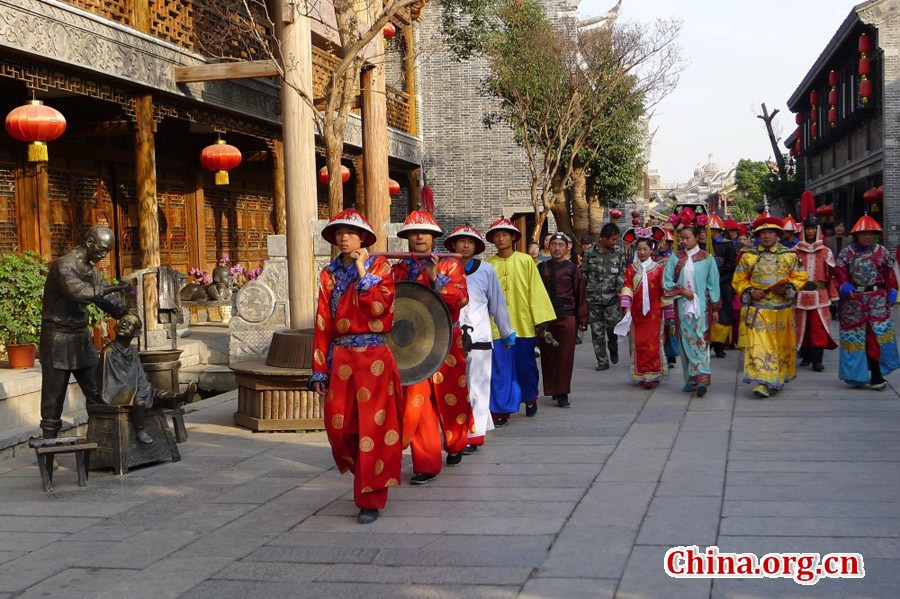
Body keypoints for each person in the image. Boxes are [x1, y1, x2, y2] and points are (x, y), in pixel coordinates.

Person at [309, 208, 403, 524]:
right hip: (341, 359)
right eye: (339, 233)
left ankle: (370, 498)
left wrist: (364, 272)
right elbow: (323, 322)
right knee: (340, 427)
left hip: (374, 357)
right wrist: (319, 369)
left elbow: (380, 307)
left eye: (349, 233)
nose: (343, 238)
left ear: (362, 237)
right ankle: (359, 471)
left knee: (373, 429)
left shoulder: (380, 267)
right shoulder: (328, 274)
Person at [391, 210, 472, 480]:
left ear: (433, 236)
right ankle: (426, 463)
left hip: (447, 339)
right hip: (413, 346)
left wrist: (438, 279)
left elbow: (460, 299)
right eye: (414, 232)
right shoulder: (398, 268)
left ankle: (457, 442)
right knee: (418, 401)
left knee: (451, 395)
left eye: (424, 232)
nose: (419, 236)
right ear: (406, 237)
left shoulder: (451, 265)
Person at [39, 225, 131, 439]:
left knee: (99, 391)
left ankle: (103, 444)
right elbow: (80, 293)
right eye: (101, 249)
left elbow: (104, 299)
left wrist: (124, 311)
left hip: (81, 339)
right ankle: (48, 453)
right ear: (89, 242)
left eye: (107, 251)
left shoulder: (91, 269)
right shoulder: (64, 266)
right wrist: (113, 288)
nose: (103, 254)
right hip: (57, 339)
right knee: (53, 402)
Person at [445, 224, 515, 453]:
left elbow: (497, 302)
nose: (465, 245)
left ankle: (474, 435)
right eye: (461, 241)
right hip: (450, 336)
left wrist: (506, 332)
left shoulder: (486, 270)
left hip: (480, 335)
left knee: (478, 386)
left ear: (476, 247)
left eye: (470, 241)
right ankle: (458, 430)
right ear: (453, 244)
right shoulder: (444, 269)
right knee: (456, 387)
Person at [485, 218, 555, 425]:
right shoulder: (488, 265)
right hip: (496, 327)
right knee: (500, 368)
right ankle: (502, 410)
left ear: (513, 237)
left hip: (522, 323)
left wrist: (540, 320)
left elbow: (535, 290)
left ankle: (530, 396)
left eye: (505, 234)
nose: (501, 238)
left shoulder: (525, 261)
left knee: (526, 366)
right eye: (497, 235)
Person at [732, 213, 809, 398]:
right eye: (763, 232)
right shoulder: (748, 256)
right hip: (759, 309)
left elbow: (800, 276)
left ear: (778, 234)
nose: (766, 236)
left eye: (770, 232)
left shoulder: (789, 255)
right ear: (758, 235)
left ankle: (776, 378)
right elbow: (738, 279)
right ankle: (763, 382)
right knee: (760, 345)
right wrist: (750, 290)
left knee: (781, 347)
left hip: (782, 311)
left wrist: (789, 288)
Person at [97, 315, 197, 444]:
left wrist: (143, 388)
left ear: (137, 333)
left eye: (129, 324)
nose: (123, 325)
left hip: (136, 387)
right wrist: (132, 391)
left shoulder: (133, 351)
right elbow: (110, 381)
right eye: (122, 322)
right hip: (118, 392)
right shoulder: (109, 352)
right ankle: (140, 430)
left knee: (156, 393)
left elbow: (139, 375)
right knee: (139, 402)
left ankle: (181, 397)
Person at [834, 214, 900, 389]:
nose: (868, 236)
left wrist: (893, 290)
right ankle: (858, 374)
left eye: (871, 233)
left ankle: (877, 375)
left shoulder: (882, 251)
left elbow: (889, 274)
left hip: (877, 301)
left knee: (876, 338)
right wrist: (845, 287)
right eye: (864, 233)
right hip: (854, 302)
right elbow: (839, 275)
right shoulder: (847, 254)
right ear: (856, 235)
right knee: (855, 339)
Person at [663, 206, 720, 397]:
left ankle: (701, 376)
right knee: (686, 341)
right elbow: (666, 283)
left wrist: (715, 306)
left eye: (688, 237)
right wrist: (682, 291)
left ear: (698, 237)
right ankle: (692, 379)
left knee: (701, 340)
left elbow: (713, 284)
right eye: (681, 237)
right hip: (682, 307)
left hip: (702, 307)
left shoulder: (707, 258)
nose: (684, 241)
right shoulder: (674, 259)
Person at [537, 233, 588, 407]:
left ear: (567, 248)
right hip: (546, 319)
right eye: (553, 244)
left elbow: (579, 294)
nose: (557, 248)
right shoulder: (541, 268)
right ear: (548, 247)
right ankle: (552, 388)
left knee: (566, 355)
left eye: (561, 245)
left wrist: (582, 318)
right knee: (548, 354)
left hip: (567, 316)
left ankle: (563, 392)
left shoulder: (573, 269)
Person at [618, 227, 671, 389]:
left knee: (654, 342)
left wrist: (669, 312)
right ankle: (642, 374)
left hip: (655, 312)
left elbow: (665, 290)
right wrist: (626, 305)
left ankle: (654, 373)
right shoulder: (631, 269)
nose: (642, 252)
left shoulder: (659, 268)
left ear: (651, 249)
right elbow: (627, 287)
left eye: (645, 249)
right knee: (639, 342)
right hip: (637, 313)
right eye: (639, 249)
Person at [793, 214, 838, 372]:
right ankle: (805, 355)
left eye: (813, 228)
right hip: (800, 294)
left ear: (818, 230)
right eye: (808, 229)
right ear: (803, 230)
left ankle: (817, 360)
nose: (810, 232)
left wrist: (834, 296)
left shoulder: (826, 251)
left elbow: (832, 276)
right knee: (802, 326)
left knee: (818, 327)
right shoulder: (794, 252)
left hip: (820, 294)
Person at [582, 223, 626, 371]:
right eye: (613, 239)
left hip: (612, 298)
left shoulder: (618, 253)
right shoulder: (589, 253)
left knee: (613, 327)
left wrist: (620, 289)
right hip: (593, 299)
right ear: (603, 238)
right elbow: (584, 273)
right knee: (596, 331)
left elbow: (623, 272)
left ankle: (613, 345)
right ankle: (602, 361)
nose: (615, 242)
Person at [707, 215, 737, 359]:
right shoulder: (703, 245)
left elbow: (731, 265)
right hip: (706, 283)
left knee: (723, 313)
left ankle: (719, 345)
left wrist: (718, 278)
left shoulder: (728, 245)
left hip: (723, 283)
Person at [656, 227, 679, 368]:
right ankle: (660, 353)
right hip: (656, 295)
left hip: (670, 296)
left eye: (665, 242)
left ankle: (670, 356)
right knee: (659, 327)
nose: (661, 245)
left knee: (670, 326)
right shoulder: (652, 256)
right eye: (660, 242)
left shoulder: (674, 258)